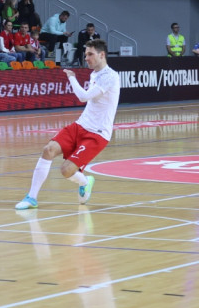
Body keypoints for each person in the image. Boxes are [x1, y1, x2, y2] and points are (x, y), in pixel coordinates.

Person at [15, 39, 120, 210]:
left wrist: (72, 78)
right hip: (80, 125)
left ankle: (85, 181)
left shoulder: (110, 76)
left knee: (66, 171)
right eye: (86, 54)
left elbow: (83, 97)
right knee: (48, 150)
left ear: (102, 55)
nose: (86, 58)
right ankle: (31, 198)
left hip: (98, 134)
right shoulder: (95, 74)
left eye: (90, 54)